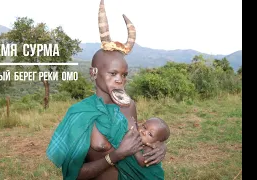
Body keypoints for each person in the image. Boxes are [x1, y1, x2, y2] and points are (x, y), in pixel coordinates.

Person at [46, 0, 167, 179]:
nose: (120, 80)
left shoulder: (129, 106)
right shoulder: (79, 113)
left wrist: (158, 146)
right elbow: (74, 174)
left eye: (124, 75)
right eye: (112, 73)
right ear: (93, 73)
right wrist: (115, 156)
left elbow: (140, 139)